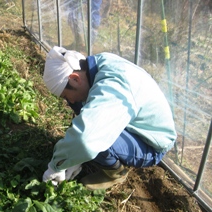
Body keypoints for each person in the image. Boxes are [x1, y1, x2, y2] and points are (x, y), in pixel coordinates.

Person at [42, 46, 177, 190]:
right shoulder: (97, 65)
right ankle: (84, 154)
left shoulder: (115, 85)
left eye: (66, 96)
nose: (71, 101)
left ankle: (115, 174)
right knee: (88, 122)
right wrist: (75, 158)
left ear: (75, 79)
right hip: (135, 122)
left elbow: (87, 138)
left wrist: (57, 166)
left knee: (97, 137)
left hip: (151, 143)